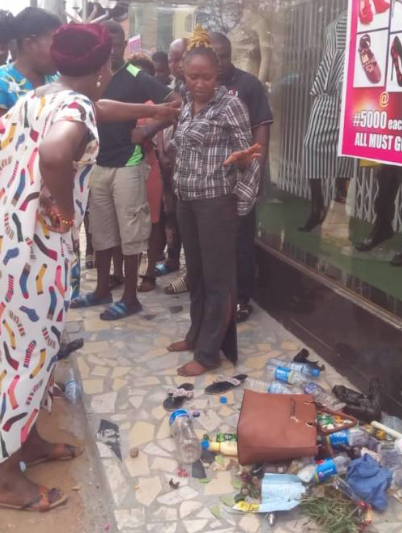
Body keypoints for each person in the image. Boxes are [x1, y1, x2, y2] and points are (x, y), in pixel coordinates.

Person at [0, 22, 178, 513]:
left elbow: (99, 109)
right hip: (34, 253)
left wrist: (152, 111)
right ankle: (5, 479)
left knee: (30, 356)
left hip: (14, 244)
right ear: (103, 67)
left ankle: (26, 444)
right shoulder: (72, 107)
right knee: (26, 360)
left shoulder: (43, 96)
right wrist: (62, 212)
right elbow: (56, 152)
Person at [167, 27, 260, 377]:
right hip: (188, 200)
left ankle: (210, 354)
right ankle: (196, 334)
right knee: (196, 274)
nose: (199, 83)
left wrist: (241, 201)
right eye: (193, 77)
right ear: (184, 74)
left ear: (217, 74)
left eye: (206, 77)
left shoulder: (230, 105)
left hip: (217, 204)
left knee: (219, 280)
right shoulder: (186, 104)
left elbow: (250, 157)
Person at [72, 20, 176, 320]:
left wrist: (148, 130)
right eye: (107, 45)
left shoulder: (135, 75)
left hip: (129, 164)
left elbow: (175, 103)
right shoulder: (91, 75)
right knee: (101, 231)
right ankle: (102, 290)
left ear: (125, 44)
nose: (112, 50)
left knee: (131, 233)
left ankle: (130, 298)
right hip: (98, 163)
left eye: (117, 44)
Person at [209, 31, 273, 323]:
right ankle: (217, 295)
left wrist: (255, 171)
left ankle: (242, 299)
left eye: (224, 56)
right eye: (215, 57)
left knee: (242, 242)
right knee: (214, 242)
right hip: (210, 180)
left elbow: (262, 129)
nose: (220, 62)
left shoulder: (248, 85)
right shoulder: (201, 84)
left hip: (241, 178)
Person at [129, 53, 164, 292]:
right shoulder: (121, 103)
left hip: (150, 167)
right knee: (128, 223)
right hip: (125, 168)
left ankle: (150, 272)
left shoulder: (155, 106)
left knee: (154, 222)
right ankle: (125, 274)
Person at [156, 38, 188, 287]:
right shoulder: (171, 88)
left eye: (180, 59)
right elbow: (162, 121)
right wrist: (162, 151)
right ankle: (172, 258)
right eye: (171, 60)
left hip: (187, 164)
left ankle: (189, 270)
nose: (175, 65)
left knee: (185, 214)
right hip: (168, 157)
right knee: (170, 211)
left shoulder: (198, 89)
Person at [0, 7, 61, 116]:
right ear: (29, 44)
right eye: (56, 46)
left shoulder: (59, 79)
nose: (61, 53)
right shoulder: (3, 83)